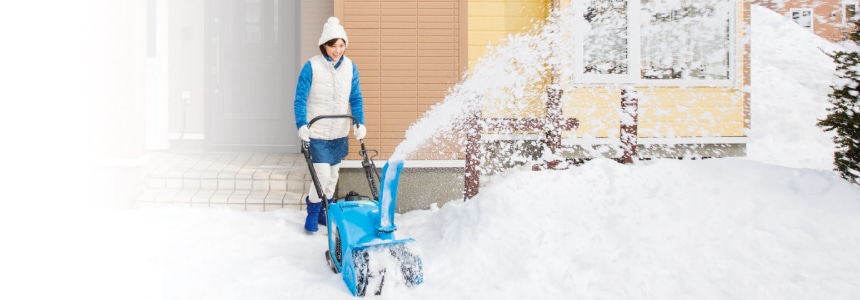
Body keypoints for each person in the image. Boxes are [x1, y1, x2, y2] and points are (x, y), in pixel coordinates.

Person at [294, 17, 367, 233]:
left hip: (339, 131)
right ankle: (313, 211)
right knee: (322, 175)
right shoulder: (312, 66)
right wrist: (301, 124)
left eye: (341, 45)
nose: (338, 50)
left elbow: (356, 98)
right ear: (324, 45)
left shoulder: (350, 67)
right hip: (317, 132)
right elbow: (300, 99)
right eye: (333, 45)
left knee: (333, 176)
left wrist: (359, 122)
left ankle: (324, 211)